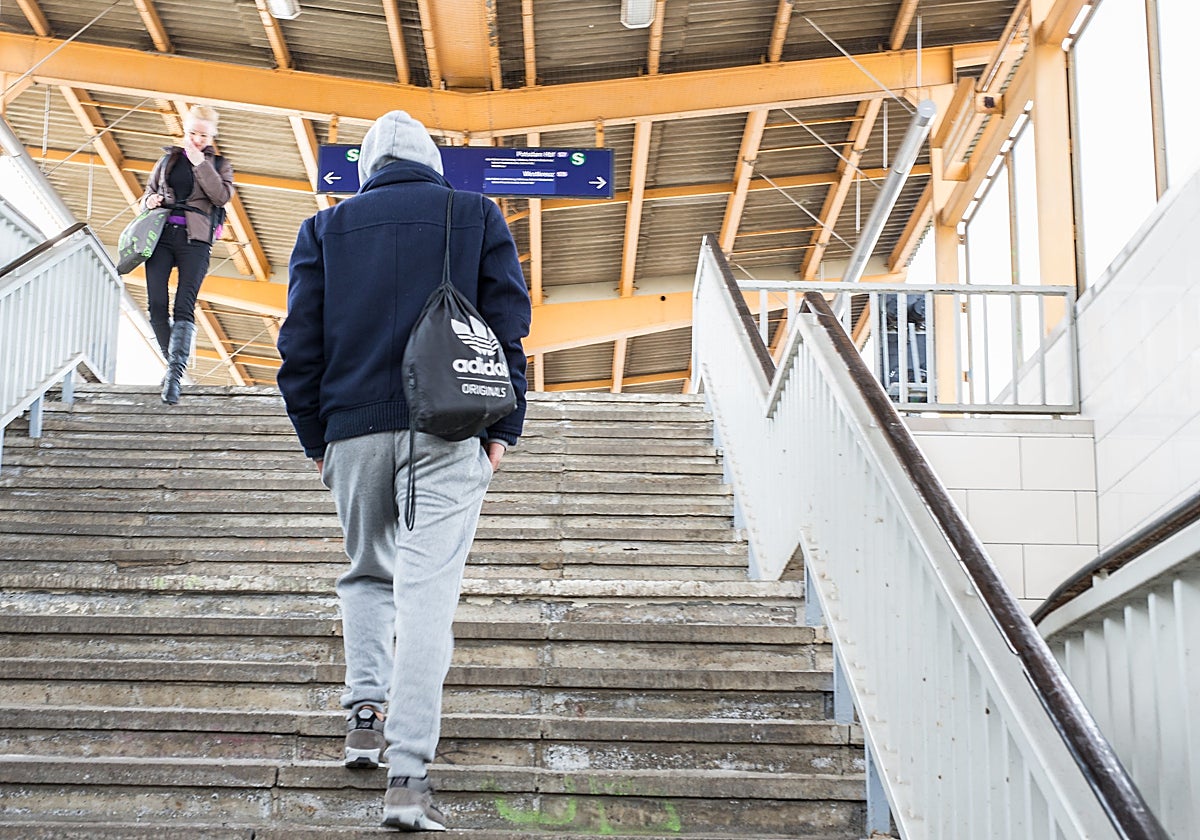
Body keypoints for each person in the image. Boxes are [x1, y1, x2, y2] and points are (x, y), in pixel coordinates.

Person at [276, 110, 530, 832]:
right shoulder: (474, 213)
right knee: (426, 598)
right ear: (431, 162)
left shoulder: (324, 230)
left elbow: (298, 347)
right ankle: (408, 778)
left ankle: (364, 712)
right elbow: (508, 327)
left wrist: (317, 440)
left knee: (364, 572)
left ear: (367, 169)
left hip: (351, 433)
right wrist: (502, 429)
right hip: (448, 430)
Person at [140, 104, 234, 404]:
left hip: (196, 240)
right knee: (156, 303)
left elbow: (221, 196)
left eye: (203, 135)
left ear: (213, 135)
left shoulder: (219, 164)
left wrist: (200, 163)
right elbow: (146, 194)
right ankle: (173, 369)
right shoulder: (167, 159)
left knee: (184, 304)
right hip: (161, 236)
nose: (196, 140)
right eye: (192, 133)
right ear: (184, 130)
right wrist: (150, 200)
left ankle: (174, 375)